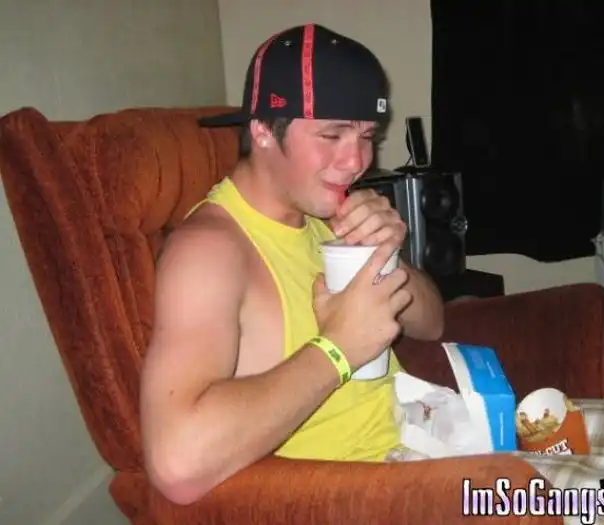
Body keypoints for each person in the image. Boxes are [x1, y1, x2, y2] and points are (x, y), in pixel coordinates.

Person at [138, 23, 444, 506]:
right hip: (372, 496)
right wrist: (339, 349)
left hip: (430, 445)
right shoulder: (208, 253)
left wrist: (389, 252)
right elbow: (176, 464)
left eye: (367, 136)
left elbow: (432, 323)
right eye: (332, 134)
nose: (357, 161)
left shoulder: (323, 217)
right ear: (262, 129)